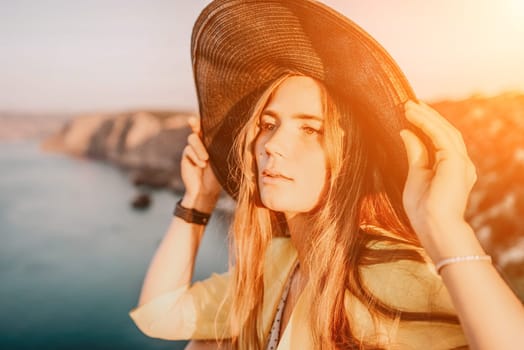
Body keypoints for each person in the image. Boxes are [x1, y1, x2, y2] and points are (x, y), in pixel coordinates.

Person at [129, 1, 524, 349]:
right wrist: (197, 200)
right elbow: (159, 314)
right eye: (268, 124)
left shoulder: (389, 271)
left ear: (350, 158)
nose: (272, 145)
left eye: (310, 128)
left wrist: (443, 226)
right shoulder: (276, 265)